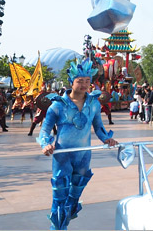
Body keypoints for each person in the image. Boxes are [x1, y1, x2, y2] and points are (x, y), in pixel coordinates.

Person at [39, 59, 118, 230]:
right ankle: (58, 228)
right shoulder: (57, 105)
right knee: (60, 196)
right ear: (71, 82)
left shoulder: (94, 103)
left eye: (87, 81)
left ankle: (64, 223)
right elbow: (45, 130)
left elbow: (99, 127)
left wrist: (107, 139)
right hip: (62, 156)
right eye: (80, 81)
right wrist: (46, 144)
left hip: (83, 156)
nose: (84, 85)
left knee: (74, 198)